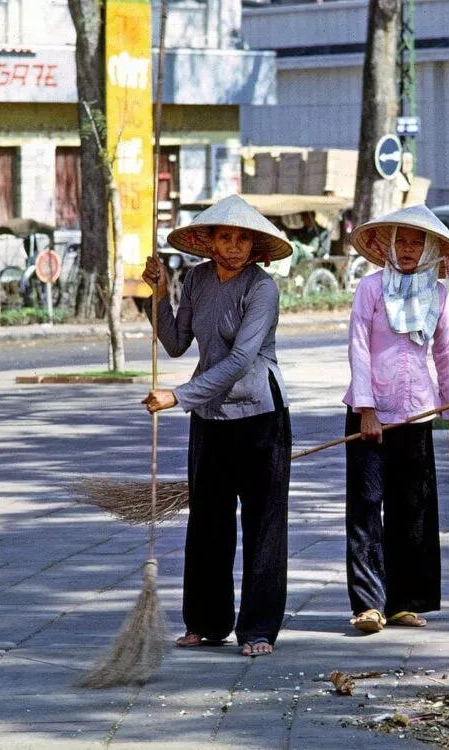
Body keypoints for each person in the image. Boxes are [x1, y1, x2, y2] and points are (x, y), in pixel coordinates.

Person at [140, 194, 293, 658]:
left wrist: (178, 396)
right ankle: (207, 623)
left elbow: (243, 357)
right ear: (208, 242)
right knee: (207, 523)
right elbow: (175, 342)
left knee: (264, 524)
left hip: (260, 416)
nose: (233, 247)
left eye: (242, 238)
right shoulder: (199, 278)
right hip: (210, 418)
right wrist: (159, 295)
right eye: (224, 237)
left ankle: (259, 629)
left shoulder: (262, 288)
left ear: (255, 244)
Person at [342, 204, 449, 633]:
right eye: (403, 241)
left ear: (432, 249)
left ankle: (402, 602)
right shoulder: (371, 289)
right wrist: (366, 409)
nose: (410, 249)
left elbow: (448, 355)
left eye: (419, 241)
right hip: (369, 416)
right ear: (389, 245)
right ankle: (367, 604)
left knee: (411, 509)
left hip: (417, 415)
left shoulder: (438, 295)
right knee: (366, 508)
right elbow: (359, 348)